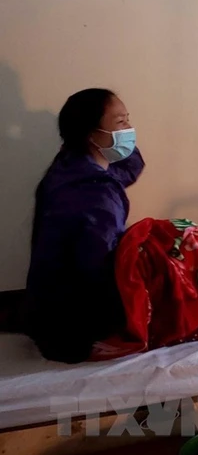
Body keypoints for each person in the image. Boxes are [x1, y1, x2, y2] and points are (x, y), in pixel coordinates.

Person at [25, 88, 143, 363]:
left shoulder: (72, 164)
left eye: (128, 119)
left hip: (48, 311)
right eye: (120, 123)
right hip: (75, 323)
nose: (130, 129)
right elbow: (97, 269)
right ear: (91, 134)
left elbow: (128, 167)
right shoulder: (92, 193)